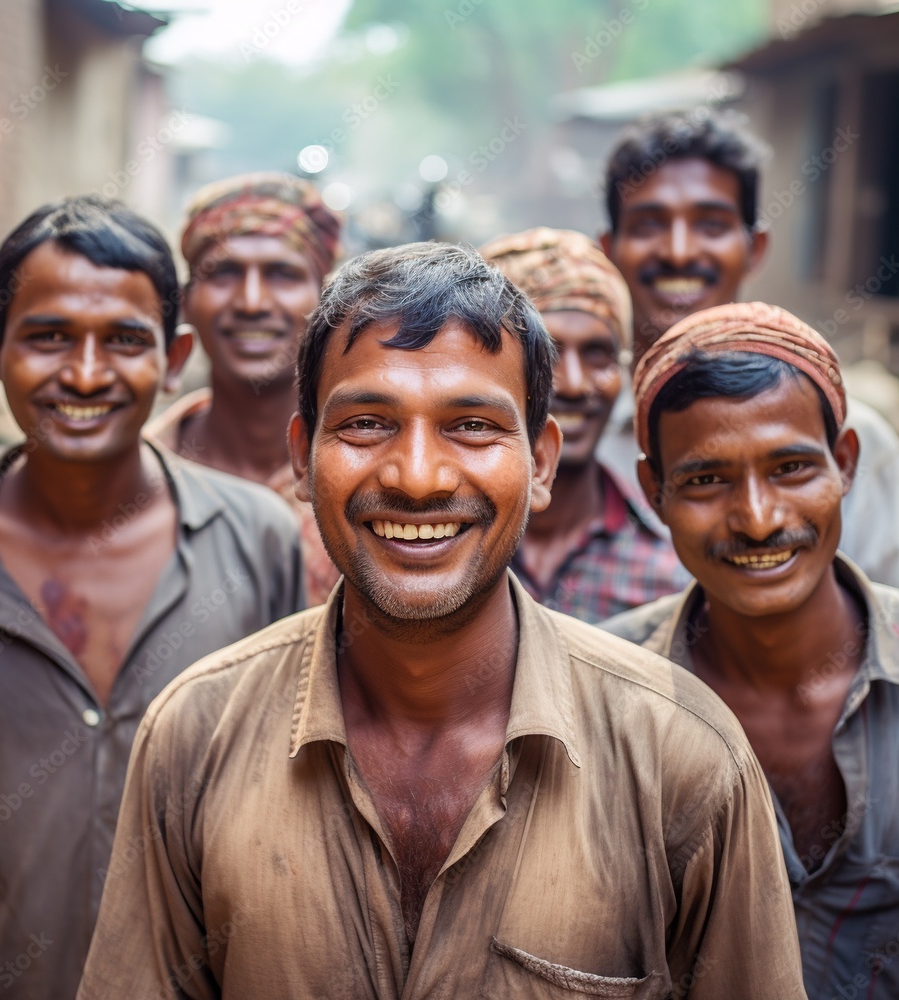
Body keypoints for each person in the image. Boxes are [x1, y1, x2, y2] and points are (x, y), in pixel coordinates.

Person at [78, 242, 805, 999]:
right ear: (302, 458)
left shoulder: (683, 758)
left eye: (472, 426)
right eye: (366, 423)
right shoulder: (194, 737)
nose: (418, 478)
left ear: (541, 463)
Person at [0, 195, 305, 1000]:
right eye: (49, 337)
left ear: (175, 356)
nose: (85, 374)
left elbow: (291, 802)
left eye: (123, 340)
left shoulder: (260, 540)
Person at [601, 301, 899, 999]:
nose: (758, 520)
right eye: (706, 480)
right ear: (654, 491)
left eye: (791, 467)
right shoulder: (601, 697)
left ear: (845, 464)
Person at [598, 108, 899, 587]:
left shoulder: (851, 436)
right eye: (649, 225)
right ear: (608, 250)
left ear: (754, 247)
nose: (679, 251)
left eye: (711, 224)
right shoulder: (578, 436)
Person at [147, 171, 343, 604]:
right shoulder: (137, 480)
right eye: (223, 273)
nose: (252, 302)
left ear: (325, 299)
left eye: (283, 275)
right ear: (185, 301)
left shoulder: (364, 476)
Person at [481, 227, 688, 621]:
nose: (574, 384)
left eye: (597, 353)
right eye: (548, 354)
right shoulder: (439, 540)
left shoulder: (667, 570)